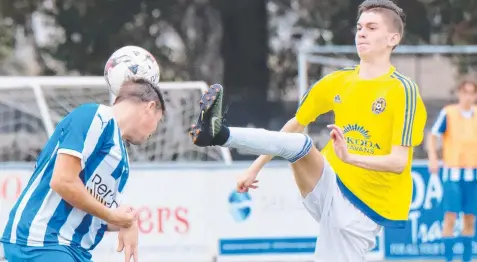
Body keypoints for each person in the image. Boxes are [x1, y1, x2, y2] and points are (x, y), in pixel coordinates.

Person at [190, 0, 427, 261]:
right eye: (359, 27)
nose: (361, 33)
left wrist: (351, 157)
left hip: (364, 209)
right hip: (329, 183)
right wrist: (255, 166)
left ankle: (221, 133)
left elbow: (398, 162)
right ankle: (219, 134)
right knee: (299, 144)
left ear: (393, 38)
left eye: (371, 27)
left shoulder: (403, 91)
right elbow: (295, 123)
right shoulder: (338, 81)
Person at [0, 78, 166, 262]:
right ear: (150, 107)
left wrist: (126, 221)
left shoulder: (121, 159)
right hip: (40, 241)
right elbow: (63, 181)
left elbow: (95, 215)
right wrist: (114, 215)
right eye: (158, 121)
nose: (153, 131)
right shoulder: (95, 116)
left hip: (72, 249)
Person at [427, 80, 477, 262]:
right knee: (450, 217)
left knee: (470, 218)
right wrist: (433, 157)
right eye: (465, 92)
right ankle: (448, 258)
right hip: (453, 175)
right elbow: (432, 135)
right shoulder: (448, 113)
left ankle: (466, 258)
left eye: (472, 93)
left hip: (473, 176)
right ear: (459, 94)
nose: (468, 97)